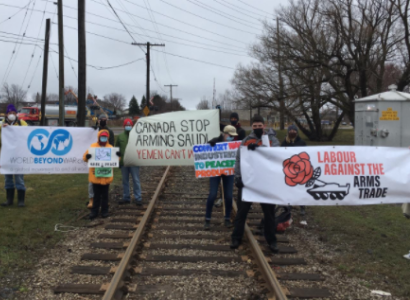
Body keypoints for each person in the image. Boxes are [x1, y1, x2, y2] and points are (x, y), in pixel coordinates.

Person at [230, 115, 280, 253]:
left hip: (266, 183)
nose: (258, 128)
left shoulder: (272, 140)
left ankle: (272, 240)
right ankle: (236, 238)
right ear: (252, 127)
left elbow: (277, 154)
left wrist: (259, 149)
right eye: (255, 126)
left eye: (260, 126)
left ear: (264, 126)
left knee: (269, 214)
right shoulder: (246, 141)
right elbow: (239, 159)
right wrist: (238, 177)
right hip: (248, 182)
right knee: (241, 212)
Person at [205, 125, 238, 229]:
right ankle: (207, 219)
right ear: (224, 134)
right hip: (216, 171)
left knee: (228, 196)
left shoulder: (234, 145)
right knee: (212, 194)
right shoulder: (216, 141)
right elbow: (205, 150)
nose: (231, 138)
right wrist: (210, 144)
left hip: (229, 171)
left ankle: (227, 218)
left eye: (233, 136)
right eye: (230, 135)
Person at [83, 130, 119, 219]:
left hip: (106, 176)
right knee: (96, 196)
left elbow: (115, 161)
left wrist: (118, 156)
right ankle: (94, 212)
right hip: (95, 176)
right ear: (99, 137)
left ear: (107, 138)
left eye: (105, 137)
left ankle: (104, 211)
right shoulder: (93, 147)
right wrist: (87, 157)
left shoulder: (110, 147)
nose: (103, 138)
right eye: (102, 136)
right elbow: (85, 158)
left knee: (105, 196)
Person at [1, 104, 28, 207]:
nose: (11, 115)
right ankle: (9, 200)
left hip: (19, 156)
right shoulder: (2, 125)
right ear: (6, 114)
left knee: (19, 178)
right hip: (6, 156)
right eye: (10, 113)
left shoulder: (22, 124)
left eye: (13, 113)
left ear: (16, 114)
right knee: (8, 178)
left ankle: (21, 201)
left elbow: (27, 135)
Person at [87, 114, 115, 209]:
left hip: (105, 158)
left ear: (106, 121)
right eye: (101, 119)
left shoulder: (110, 131)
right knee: (92, 181)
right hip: (95, 159)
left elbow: (111, 145)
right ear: (98, 120)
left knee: (105, 181)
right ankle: (92, 199)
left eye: (104, 119)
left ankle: (104, 201)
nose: (103, 121)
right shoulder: (94, 130)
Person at [281, 124, 307, 216]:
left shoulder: (302, 142)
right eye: (291, 130)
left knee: (300, 188)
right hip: (289, 169)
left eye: (294, 130)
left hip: (300, 169)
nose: (292, 132)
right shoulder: (284, 142)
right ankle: (289, 205)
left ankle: (302, 206)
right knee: (289, 188)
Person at [116, 119, 142, 206]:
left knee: (136, 180)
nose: (128, 126)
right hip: (124, 162)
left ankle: (138, 198)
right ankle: (126, 197)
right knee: (125, 180)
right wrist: (117, 157)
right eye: (127, 125)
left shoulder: (137, 136)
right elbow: (117, 148)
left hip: (134, 162)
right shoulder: (120, 137)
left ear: (132, 126)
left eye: (130, 125)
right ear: (124, 126)